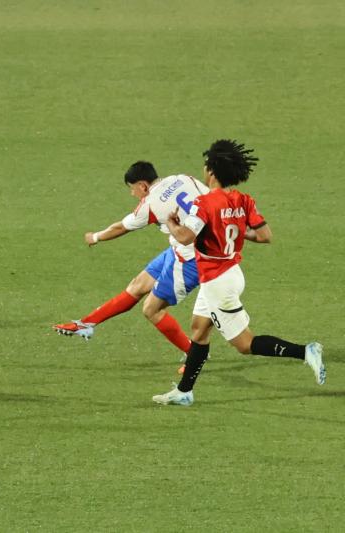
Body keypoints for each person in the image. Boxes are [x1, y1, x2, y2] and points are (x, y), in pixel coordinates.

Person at [152, 139, 325, 406]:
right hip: (230, 271)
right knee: (199, 330)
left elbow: (185, 238)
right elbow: (265, 235)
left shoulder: (204, 203)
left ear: (211, 170)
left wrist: (173, 224)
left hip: (216, 281)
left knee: (245, 344)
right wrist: (229, 227)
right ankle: (185, 392)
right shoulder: (243, 200)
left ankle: (305, 351)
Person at [53, 161, 209, 372]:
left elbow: (121, 227)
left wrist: (95, 237)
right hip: (184, 248)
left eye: (132, 188)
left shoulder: (151, 204)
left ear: (143, 185)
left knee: (151, 309)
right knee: (138, 285)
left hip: (193, 259)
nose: (132, 194)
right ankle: (86, 324)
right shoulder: (182, 178)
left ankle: (194, 356)